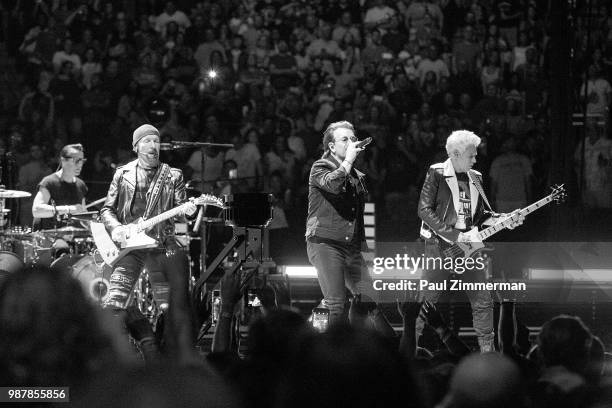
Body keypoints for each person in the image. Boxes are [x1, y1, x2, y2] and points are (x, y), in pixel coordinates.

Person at [417, 130, 524, 352]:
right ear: (455, 154)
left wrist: (504, 219)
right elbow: (424, 210)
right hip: (439, 245)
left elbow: (483, 216)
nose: (475, 159)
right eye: (471, 155)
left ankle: (488, 350)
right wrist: (454, 235)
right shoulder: (437, 173)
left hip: (470, 245)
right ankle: (410, 344)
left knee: (482, 297)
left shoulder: (476, 177)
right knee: (427, 298)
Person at [100, 124, 197, 361]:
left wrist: (190, 210)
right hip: (131, 247)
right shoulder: (122, 174)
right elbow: (106, 210)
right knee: (115, 303)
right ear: (136, 146)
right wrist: (117, 228)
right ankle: (117, 359)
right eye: (147, 141)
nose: (153, 146)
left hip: (163, 245)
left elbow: (182, 212)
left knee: (172, 307)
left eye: (156, 141)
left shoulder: (173, 175)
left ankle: (166, 358)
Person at [306, 121, 373, 324]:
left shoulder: (356, 176)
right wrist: (349, 160)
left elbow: (358, 216)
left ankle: (354, 344)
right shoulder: (320, 167)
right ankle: (312, 339)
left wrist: (363, 249)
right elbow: (333, 185)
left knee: (368, 300)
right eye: (344, 139)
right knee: (335, 303)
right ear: (332, 146)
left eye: (353, 139)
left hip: (351, 247)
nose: (350, 143)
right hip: (326, 243)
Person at [32, 143, 88, 231]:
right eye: (77, 161)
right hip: (50, 240)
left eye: (82, 161)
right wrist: (69, 209)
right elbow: (36, 210)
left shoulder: (81, 185)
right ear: (63, 161)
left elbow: (83, 214)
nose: (80, 165)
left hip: (73, 239)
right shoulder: (49, 182)